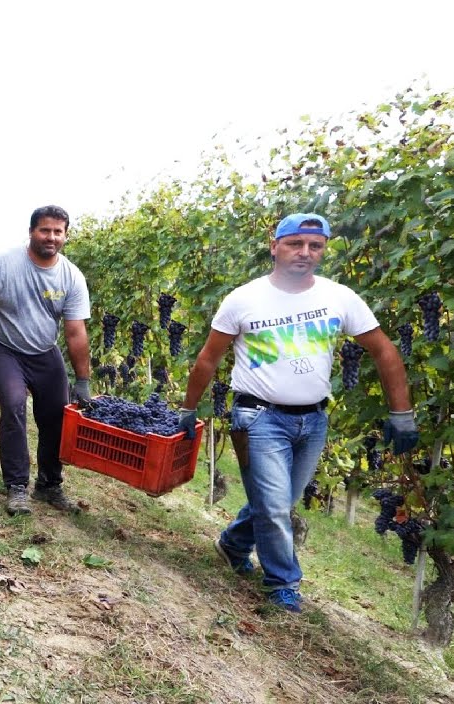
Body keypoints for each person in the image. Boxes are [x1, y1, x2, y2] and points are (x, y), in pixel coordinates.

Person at [178, 213, 418, 613]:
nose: (305, 253)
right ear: (275, 246)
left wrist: (402, 413)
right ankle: (282, 584)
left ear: (323, 249)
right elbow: (208, 359)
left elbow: (384, 351)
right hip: (257, 418)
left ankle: (233, 544)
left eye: (315, 246)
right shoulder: (243, 298)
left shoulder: (339, 297)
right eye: (295, 244)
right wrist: (187, 409)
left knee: (280, 501)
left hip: (313, 421)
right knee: (273, 507)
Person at [0, 205, 92, 516]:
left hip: (44, 351)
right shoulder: (2, 263)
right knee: (14, 405)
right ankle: (17, 487)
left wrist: (83, 380)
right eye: (45, 230)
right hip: (3, 347)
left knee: (57, 414)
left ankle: (48, 485)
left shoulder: (71, 277)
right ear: (31, 231)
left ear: (65, 236)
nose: (52, 237)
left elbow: (75, 332)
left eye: (58, 232)